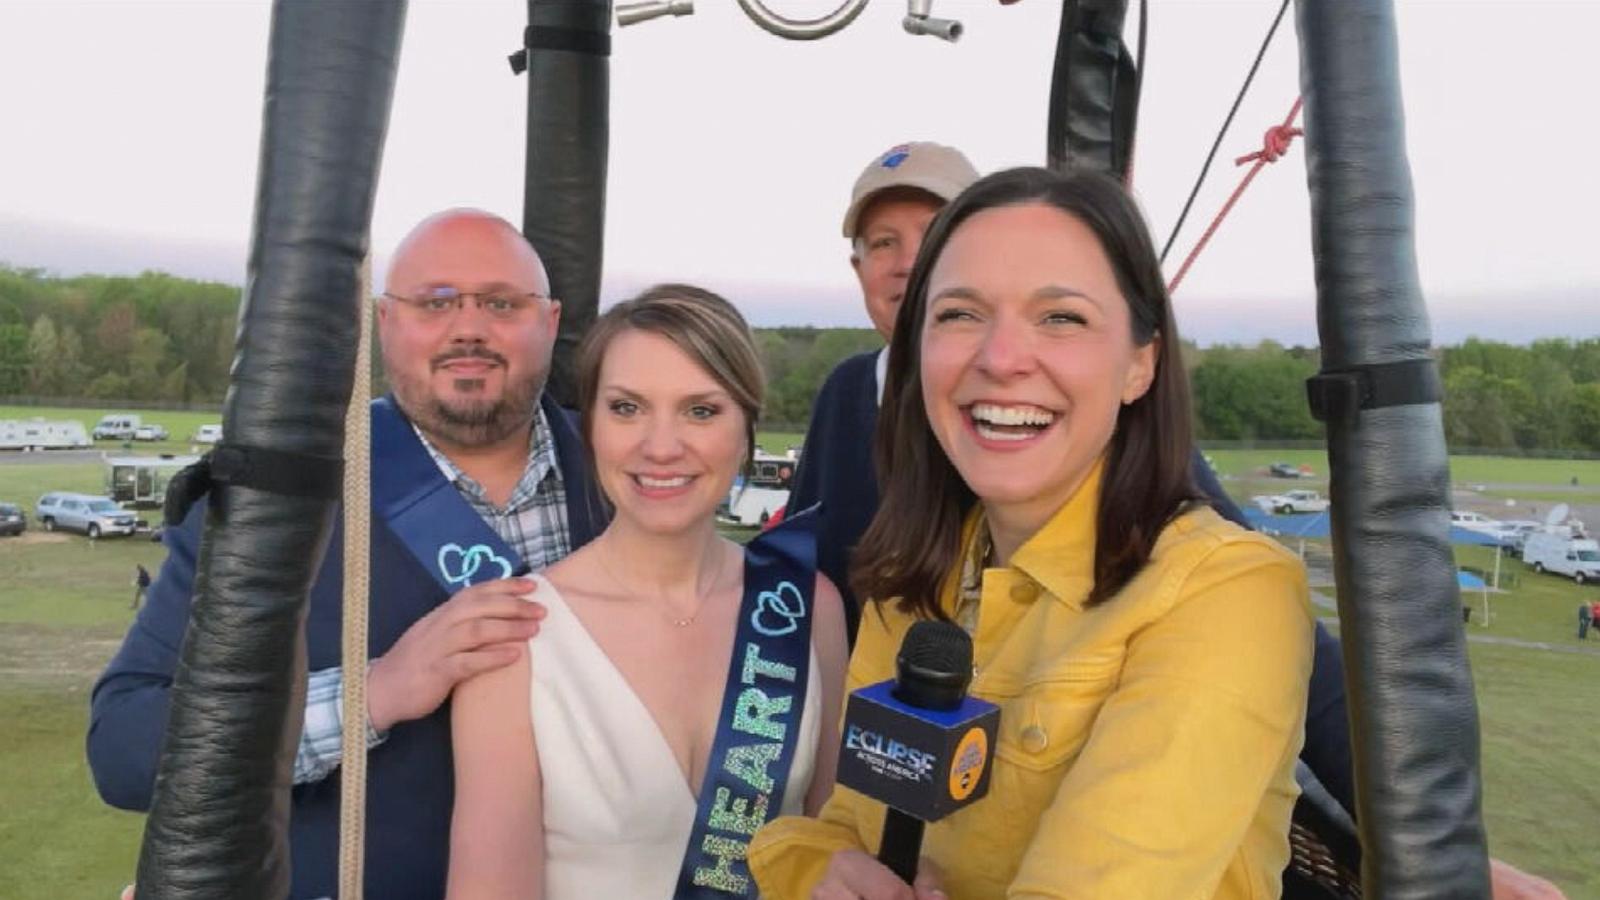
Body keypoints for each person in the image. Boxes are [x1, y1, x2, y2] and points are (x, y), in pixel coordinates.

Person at [751, 167, 1315, 898]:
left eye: (1061, 318)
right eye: (958, 315)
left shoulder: (1225, 596)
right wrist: (820, 871)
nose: (1000, 358)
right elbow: (850, 828)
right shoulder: (916, 581)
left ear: (1140, 364)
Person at [86, 209, 607, 900]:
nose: (469, 328)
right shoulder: (273, 497)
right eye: (437, 302)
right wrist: (375, 693)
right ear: (383, 321)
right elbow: (123, 749)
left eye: (502, 303)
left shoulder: (630, 475)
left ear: (550, 320)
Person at [446, 285, 849, 898]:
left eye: (701, 410)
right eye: (628, 408)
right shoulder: (516, 634)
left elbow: (834, 856)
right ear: (591, 429)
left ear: (747, 429)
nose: (661, 446)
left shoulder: (807, 607)